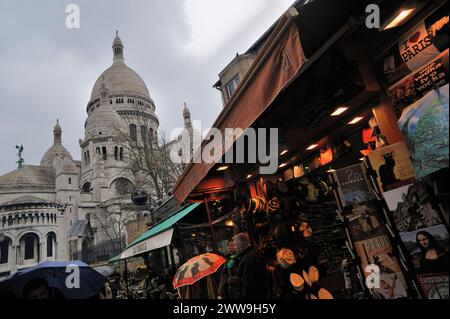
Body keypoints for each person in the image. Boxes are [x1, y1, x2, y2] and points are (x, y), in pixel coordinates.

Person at [227, 233, 268, 299]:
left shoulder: (247, 259)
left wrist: (233, 280)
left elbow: (247, 284)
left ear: (240, 245)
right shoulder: (253, 254)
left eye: (235, 245)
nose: (235, 248)